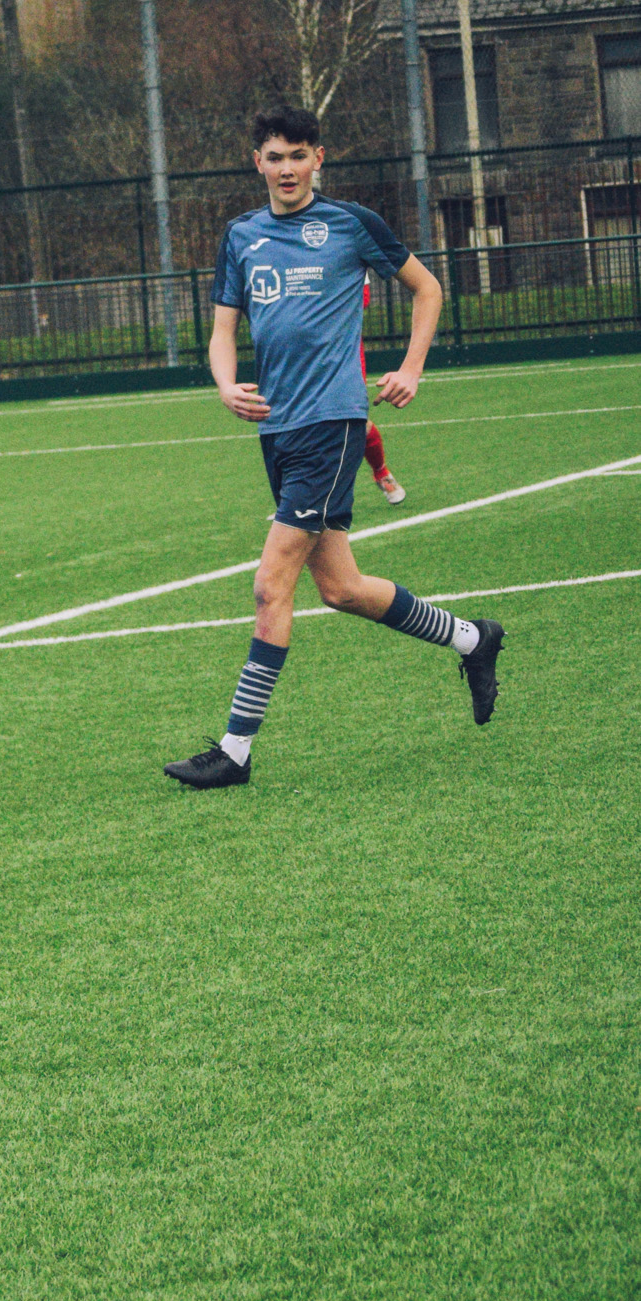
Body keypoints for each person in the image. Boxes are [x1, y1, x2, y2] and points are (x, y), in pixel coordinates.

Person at [166, 107, 502, 792]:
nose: (285, 168)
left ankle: (234, 751)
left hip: (333, 423)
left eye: (297, 155)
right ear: (255, 162)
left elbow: (427, 288)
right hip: (277, 429)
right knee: (342, 589)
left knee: (270, 586)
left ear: (319, 158)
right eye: (273, 156)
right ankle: (473, 639)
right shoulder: (242, 237)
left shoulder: (351, 224)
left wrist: (410, 367)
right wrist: (226, 384)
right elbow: (223, 329)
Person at [361, 277, 405, 504]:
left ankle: (381, 472)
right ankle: (291, 501)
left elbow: (364, 297)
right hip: (294, 355)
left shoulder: (340, 242)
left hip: (340, 351)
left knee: (356, 421)